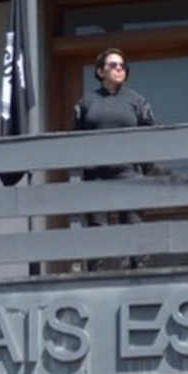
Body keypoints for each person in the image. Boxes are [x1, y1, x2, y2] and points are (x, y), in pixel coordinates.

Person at [72, 48, 154, 268]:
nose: (119, 68)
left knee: (133, 225)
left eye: (122, 66)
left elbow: (151, 136)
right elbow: (75, 140)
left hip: (129, 172)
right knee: (97, 228)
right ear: (100, 71)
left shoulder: (137, 100)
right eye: (113, 65)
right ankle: (96, 273)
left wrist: (145, 170)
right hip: (96, 174)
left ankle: (139, 272)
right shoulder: (86, 103)